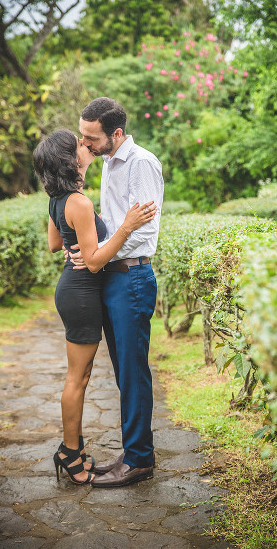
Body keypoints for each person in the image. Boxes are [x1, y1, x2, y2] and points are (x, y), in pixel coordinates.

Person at [33, 128, 157, 485]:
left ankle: (72, 450)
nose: (86, 146)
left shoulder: (60, 198)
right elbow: (92, 261)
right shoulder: (79, 202)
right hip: (83, 293)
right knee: (78, 377)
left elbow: (55, 244)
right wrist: (127, 227)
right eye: (80, 145)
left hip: (72, 290)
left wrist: (83, 237)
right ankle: (70, 454)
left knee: (80, 376)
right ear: (71, 160)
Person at [70, 97, 164, 488]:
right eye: (83, 136)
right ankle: (133, 449)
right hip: (111, 274)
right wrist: (90, 248)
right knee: (123, 373)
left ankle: (140, 460)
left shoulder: (141, 163)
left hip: (131, 277)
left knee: (132, 371)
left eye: (92, 138)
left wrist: (98, 252)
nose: (86, 144)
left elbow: (142, 230)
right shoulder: (108, 161)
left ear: (117, 133)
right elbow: (111, 222)